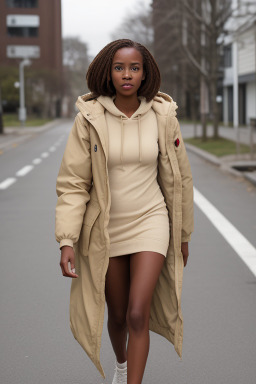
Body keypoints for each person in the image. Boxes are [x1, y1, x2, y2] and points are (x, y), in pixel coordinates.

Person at [55, 39, 194, 384]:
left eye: (134, 67)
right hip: (106, 228)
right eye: (119, 67)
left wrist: (183, 234)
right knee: (116, 316)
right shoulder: (89, 120)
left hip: (151, 221)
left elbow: (181, 180)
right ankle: (121, 365)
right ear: (109, 71)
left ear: (145, 73)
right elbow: (73, 184)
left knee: (136, 313)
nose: (127, 74)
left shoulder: (163, 116)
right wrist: (67, 240)